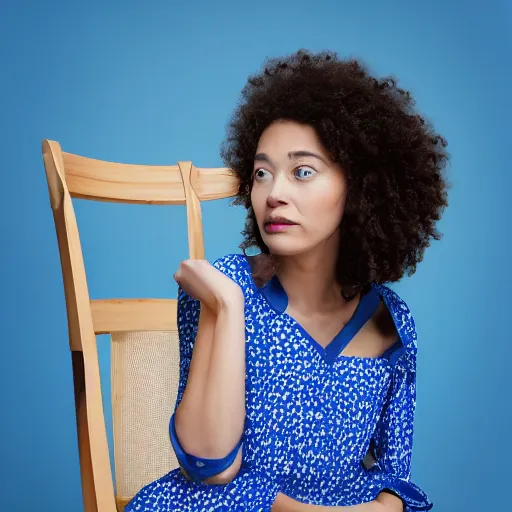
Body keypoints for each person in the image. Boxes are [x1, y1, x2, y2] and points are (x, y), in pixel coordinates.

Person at [126, 49, 449, 512]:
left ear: (360, 187)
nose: (274, 194)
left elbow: (395, 479)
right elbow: (209, 464)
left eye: (302, 172)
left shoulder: (392, 321)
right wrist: (228, 306)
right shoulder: (224, 287)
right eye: (261, 173)